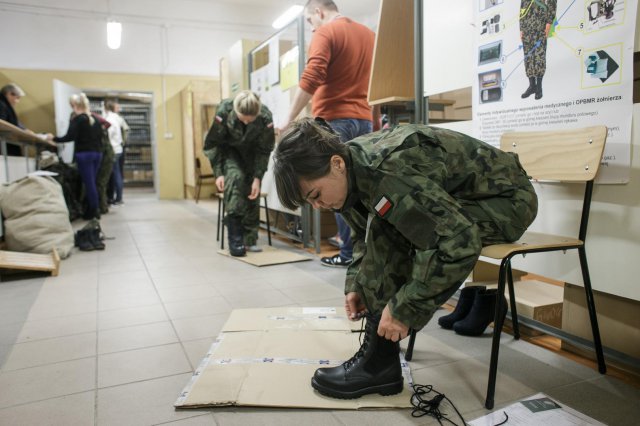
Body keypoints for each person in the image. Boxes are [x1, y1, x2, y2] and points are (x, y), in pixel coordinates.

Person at [273, 118, 538, 399]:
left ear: (336, 163)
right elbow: (364, 232)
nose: (319, 206)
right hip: (470, 198)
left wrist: (405, 310)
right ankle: (380, 361)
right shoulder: (351, 170)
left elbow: (458, 241)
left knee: (396, 229)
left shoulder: (387, 172)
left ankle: (379, 363)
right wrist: (356, 284)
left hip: (509, 200)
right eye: (309, 202)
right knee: (389, 224)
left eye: (315, 195)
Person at [281, 0, 376, 268]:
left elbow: (313, 75)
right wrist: (374, 122)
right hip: (364, 120)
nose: (312, 29)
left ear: (318, 12)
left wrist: (289, 119)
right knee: (362, 190)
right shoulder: (370, 35)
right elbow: (375, 84)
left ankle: (348, 254)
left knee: (336, 192)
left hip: (335, 120)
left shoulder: (325, 32)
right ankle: (367, 255)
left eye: (310, 22)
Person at [203, 90, 275, 257]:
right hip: (230, 153)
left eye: (250, 120)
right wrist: (219, 173)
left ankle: (249, 239)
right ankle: (235, 238)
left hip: (253, 155)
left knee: (252, 191)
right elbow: (213, 144)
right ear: (235, 110)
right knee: (236, 181)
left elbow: (264, 150)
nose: (245, 121)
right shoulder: (224, 111)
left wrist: (258, 178)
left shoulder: (265, 118)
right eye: (242, 118)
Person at [47, 93, 104, 220]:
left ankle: (92, 212)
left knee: (89, 184)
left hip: (84, 154)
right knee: (92, 183)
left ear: (74, 105)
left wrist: (53, 138)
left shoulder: (79, 119)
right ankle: (95, 209)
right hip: (97, 154)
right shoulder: (95, 119)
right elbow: (101, 139)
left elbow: (69, 137)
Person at [520, 0, 557, 100]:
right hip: (527, 29)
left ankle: (539, 87)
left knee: (539, 56)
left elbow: (552, 3)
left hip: (540, 26)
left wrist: (549, 22)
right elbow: (522, 8)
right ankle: (532, 86)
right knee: (528, 58)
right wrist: (521, 28)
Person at [0, 83, 41, 156]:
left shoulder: (5, 105)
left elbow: (14, 122)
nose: (17, 101)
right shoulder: (2, 105)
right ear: (10, 94)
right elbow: (3, 123)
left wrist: (24, 129)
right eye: (17, 98)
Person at [104, 99, 128, 205]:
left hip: (113, 149)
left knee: (115, 174)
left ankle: (117, 198)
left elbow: (108, 136)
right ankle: (117, 197)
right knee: (117, 173)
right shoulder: (117, 119)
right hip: (119, 148)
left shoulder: (110, 120)